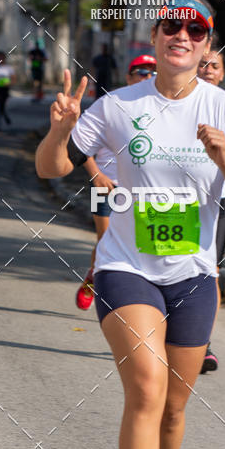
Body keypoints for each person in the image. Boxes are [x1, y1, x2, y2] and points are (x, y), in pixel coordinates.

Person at [36, 0, 225, 449]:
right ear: (157, 34)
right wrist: (61, 131)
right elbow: (50, 169)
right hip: (126, 267)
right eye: (172, 26)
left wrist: (224, 158)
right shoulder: (119, 105)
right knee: (146, 386)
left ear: (207, 44)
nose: (182, 36)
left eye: (195, 30)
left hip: (193, 276)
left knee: (173, 408)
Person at [77, 54, 157, 309]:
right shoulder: (111, 104)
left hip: (141, 191)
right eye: (142, 72)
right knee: (106, 240)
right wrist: (96, 175)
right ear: (128, 76)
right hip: (106, 185)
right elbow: (81, 149)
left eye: (152, 73)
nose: (147, 77)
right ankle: (96, 282)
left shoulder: (160, 109)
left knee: (141, 246)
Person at [197, 46, 225, 373]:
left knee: (210, 269)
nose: (208, 69)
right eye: (203, 63)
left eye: (215, 65)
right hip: (179, 199)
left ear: (222, 73)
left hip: (221, 198)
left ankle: (203, 343)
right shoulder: (179, 103)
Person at [0, 50, 15, 131]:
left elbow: (13, 79)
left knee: (3, 106)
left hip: (5, 89)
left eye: (1, 57)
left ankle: (5, 116)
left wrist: (9, 83)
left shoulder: (9, 68)